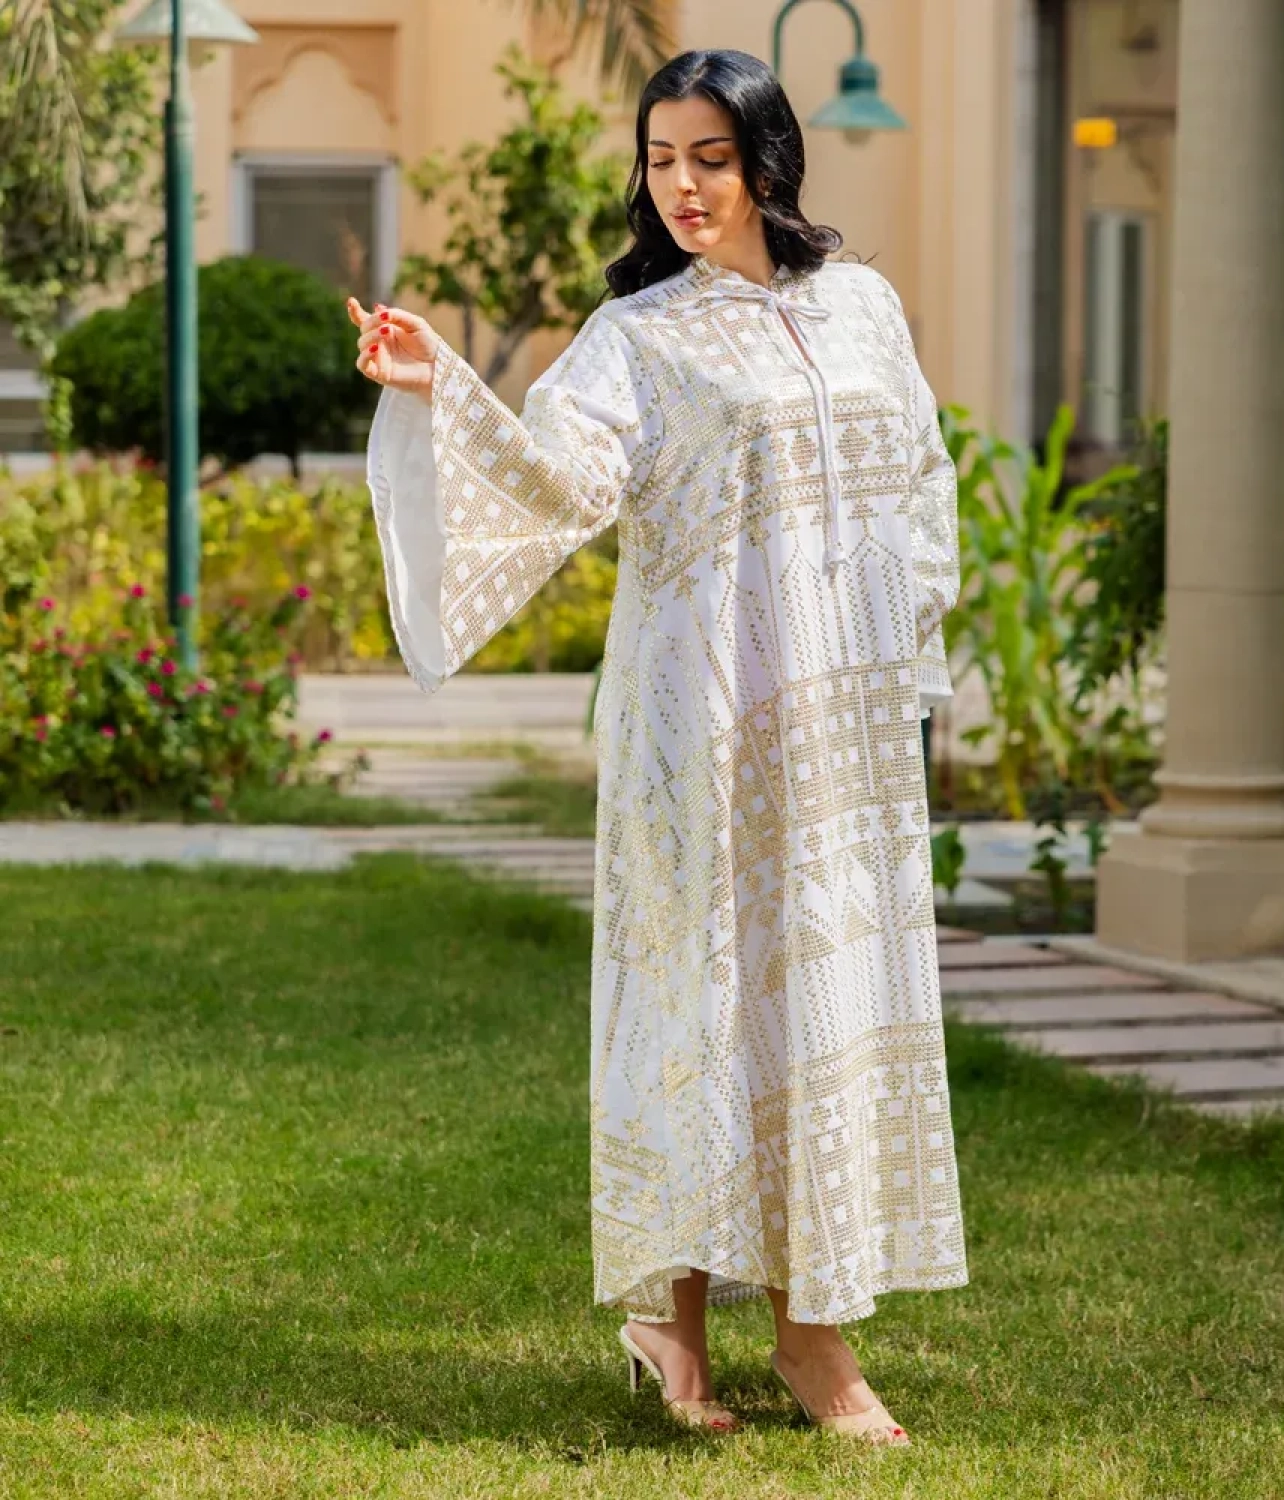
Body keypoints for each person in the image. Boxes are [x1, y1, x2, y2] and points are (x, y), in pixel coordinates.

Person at [349, 46, 966, 1446]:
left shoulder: (862, 307)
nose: (681, 185)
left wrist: (896, 643)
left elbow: (920, 476)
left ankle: (812, 1337)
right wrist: (441, 386)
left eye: (710, 157)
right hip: (700, 725)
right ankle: (669, 1322)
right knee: (696, 1001)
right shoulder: (637, 335)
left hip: (841, 729)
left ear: (768, 159)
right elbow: (557, 480)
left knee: (823, 1005)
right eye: (660, 159)